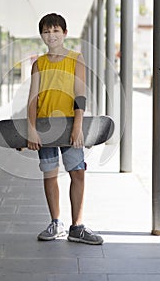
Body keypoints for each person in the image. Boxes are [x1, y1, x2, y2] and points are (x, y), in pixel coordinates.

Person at [27, 13, 103, 245]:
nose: (51, 36)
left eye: (56, 31)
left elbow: (80, 94)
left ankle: (77, 227)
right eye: (47, 32)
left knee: (77, 172)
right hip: (45, 126)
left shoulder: (76, 59)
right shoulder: (38, 64)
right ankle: (55, 223)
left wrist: (78, 126)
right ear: (42, 35)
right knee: (50, 174)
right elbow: (33, 99)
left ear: (65, 33)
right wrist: (32, 129)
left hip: (70, 124)